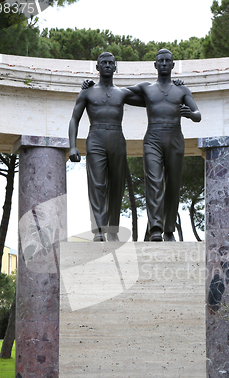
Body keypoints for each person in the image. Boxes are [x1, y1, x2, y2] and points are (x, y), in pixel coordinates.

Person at [68, 52, 145, 242]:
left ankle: (113, 229)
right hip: (95, 138)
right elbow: (74, 119)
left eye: (111, 63)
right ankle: (99, 230)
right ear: (97, 67)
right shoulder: (87, 92)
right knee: (97, 185)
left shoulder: (122, 93)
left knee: (117, 187)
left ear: (116, 67)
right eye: (104, 63)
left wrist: (173, 87)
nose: (108, 65)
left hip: (117, 138)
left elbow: (151, 100)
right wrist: (72, 146)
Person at [127, 48, 201, 241]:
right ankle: (156, 228)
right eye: (161, 60)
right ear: (155, 64)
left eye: (168, 61)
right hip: (153, 138)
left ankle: (169, 230)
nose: (164, 63)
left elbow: (198, 115)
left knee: (173, 185)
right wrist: (90, 88)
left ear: (173, 65)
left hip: (175, 138)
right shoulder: (146, 88)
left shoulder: (182, 89)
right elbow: (120, 94)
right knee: (154, 182)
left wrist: (190, 114)